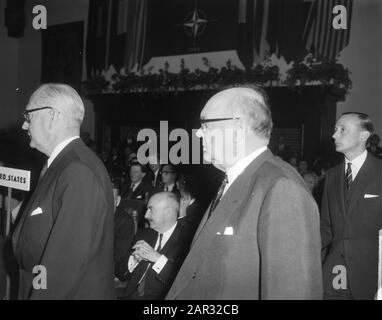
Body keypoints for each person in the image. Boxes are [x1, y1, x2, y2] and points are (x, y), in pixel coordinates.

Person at [166, 86, 322, 300]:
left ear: (238, 128)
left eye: (205, 124)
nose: (198, 133)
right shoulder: (236, 181)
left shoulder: (281, 186)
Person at [12, 83, 115, 299]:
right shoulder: (63, 165)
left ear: (51, 116)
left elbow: (62, 267)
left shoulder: (78, 170)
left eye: (28, 116)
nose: (24, 125)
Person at [321, 112, 382, 300]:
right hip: (334, 273)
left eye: (342, 130)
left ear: (364, 135)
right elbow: (325, 227)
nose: (334, 135)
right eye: (335, 129)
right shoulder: (332, 175)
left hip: (371, 275)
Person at [115, 192, 193, 299]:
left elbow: (184, 282)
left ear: (168, 213)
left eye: (151, 210)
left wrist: (158, 259)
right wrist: (134, 260)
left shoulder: (187, 241)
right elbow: (120, 273)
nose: (146, 215)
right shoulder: (145, 234)